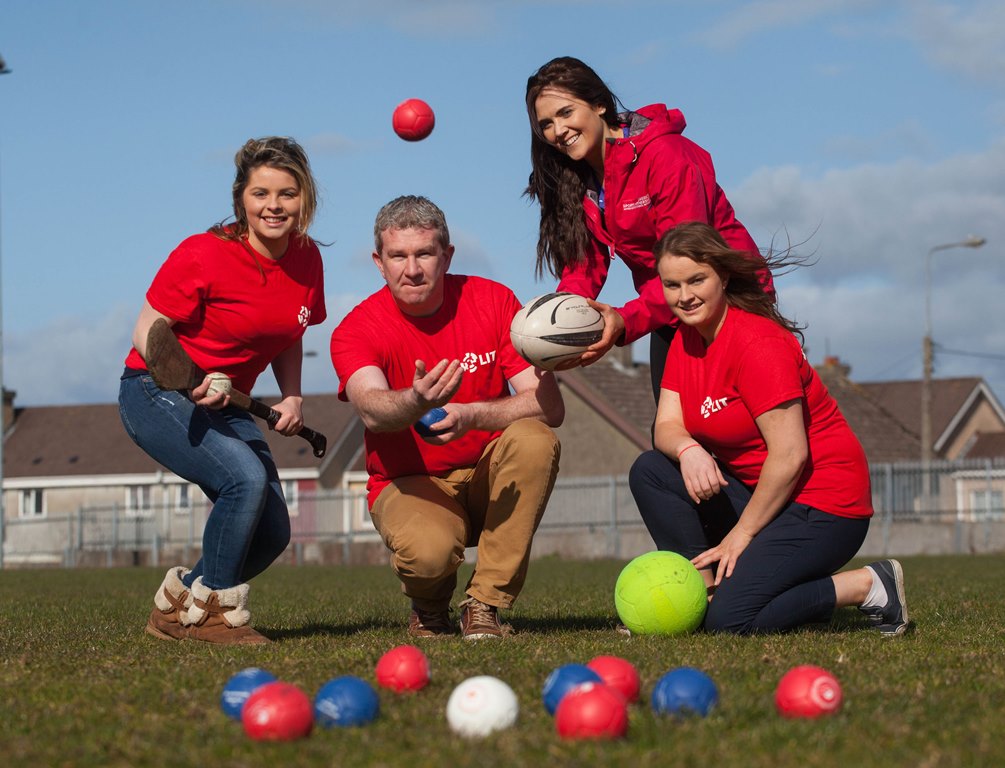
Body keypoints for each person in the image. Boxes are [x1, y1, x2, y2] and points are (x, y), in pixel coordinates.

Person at [628, 222, 908, 636]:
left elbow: (791, 455)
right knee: (652, 470)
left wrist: (742, 534)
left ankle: (868, 585)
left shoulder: (757, 344)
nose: (684, 296)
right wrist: (689, 449)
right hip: (770, 498)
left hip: (826, 505)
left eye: (696, 280)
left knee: (731, 621)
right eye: (672, 285)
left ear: (722, 276)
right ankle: (701, 596)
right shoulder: (687, 340)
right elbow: (666, 426)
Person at [119, 136, 327, 645]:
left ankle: (180, 602)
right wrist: (190, 380)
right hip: (156, 391)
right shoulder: (203, 253)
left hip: (226, 401)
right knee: (244, 481)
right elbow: (146, 330)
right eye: (261, 194)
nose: (273, 206)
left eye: (287, 193)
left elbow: (289, 335)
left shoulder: (306, 260)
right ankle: (212, 614)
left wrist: (292, 396)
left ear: (305, 199)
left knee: (274, 530)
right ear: (241, 199)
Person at [330, 195, 564, 640]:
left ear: (447, 255)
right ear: (379, 263)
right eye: (398, 256)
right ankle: (430, 606)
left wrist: (472, 414)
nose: (412, 268)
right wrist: (416, 401)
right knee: (429, 554)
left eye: (424, 253)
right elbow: (372, 408)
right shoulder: (357, 327)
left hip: (485, 474)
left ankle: (485, 607)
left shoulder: (493, 301)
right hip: (410, 481)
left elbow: (548, 407)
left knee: (535, 439)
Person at [525, 56, 773, 400]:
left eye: (566, 113)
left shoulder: (667, 155)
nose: (558, 131)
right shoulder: (578, 181)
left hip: (731, 302)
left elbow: (690, 259)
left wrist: (625, 320)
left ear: (599, 104)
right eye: (547, 124)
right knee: (675, 437)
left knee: (744, 432)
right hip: (668, 310)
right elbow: (585, 264)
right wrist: (557, 323)